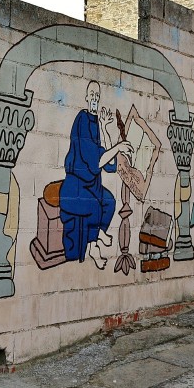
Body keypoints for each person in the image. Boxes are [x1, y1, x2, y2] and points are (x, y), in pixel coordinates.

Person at [59, 82, 132, 269]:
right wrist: (118, 148)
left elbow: (108, 164)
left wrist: (105, 128)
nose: (94, 98)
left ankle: (94, 244)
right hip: (76, 185)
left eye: (97, 96)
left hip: (92, 185)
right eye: (92, 94)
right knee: (93, 206)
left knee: (108, 201)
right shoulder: (82, 119)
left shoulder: (96, 123)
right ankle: (95, 243)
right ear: (85, 97)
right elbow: (95, 160)